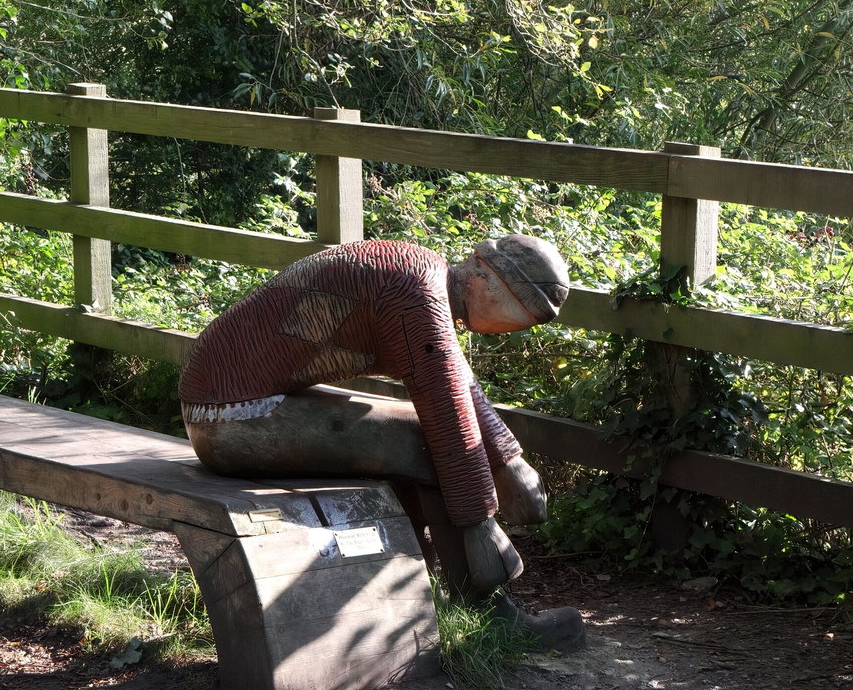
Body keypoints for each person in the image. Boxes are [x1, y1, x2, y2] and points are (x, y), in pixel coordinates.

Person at [179, 234, 584, 652]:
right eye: (523, 317)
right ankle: (488, 613)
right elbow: (447, 414)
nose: (510, 332)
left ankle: (417, 593)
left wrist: (508, 456)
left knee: (419, 433)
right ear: (488, 283)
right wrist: (481, 522)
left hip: (233, 405)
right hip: (230, 418)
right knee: (426, 444)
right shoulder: (415, 293)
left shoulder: (421, 275)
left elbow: (457, 382)